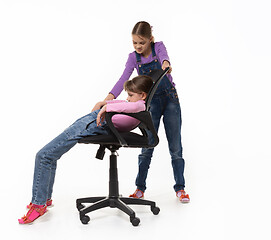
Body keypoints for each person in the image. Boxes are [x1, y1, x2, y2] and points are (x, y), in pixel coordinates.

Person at [18, 75, 154, 224]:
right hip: (95, 122)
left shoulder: (139, 106)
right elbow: (124, 103)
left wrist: (106, 107)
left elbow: (131, 106)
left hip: (95, 124)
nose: (127, 98)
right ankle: (44, 199)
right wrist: (104, 103)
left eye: (130, 95)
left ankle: (39, 205)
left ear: (143, 95)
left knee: (44, 156)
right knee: (49, 155)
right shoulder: (135, 105)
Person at [92, 21, 190, 203]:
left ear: (150, 40)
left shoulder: (158, 48)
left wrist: (166, 65)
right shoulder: (133, 58)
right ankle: (140, 188)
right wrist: (106, 100)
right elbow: (123, 78)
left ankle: (181, 188)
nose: (138, 46)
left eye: (142, 42)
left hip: (170, 101)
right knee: (147, 145)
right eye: (134, 42)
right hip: (150, 104)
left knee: (175, 147)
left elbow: (164, 57)